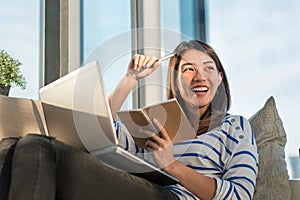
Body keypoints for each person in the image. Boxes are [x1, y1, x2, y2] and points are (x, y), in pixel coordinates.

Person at [0, 40, 258, 200]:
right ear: (176, 81)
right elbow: (103, 132)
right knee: (12, 148)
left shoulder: (235, 127)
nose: (199, 76)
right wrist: (130, 80)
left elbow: (238, 195)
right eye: (188, 69)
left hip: (175, 197)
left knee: (39, 148)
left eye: (208, 67)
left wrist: (172, 167)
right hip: (137, 185)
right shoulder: (157, 120)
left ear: (220, 79)